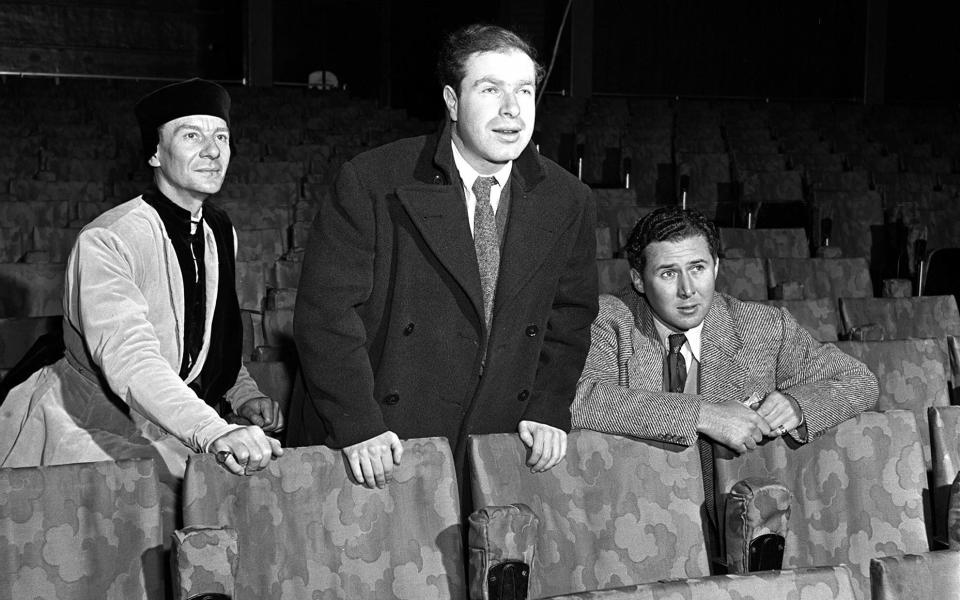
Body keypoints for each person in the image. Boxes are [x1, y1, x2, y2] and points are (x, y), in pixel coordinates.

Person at [287, 24, 599, 491]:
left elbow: (570, 317)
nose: (511, 109)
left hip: (496, 438)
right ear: (452, 101)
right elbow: (326, 316)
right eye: (490, 89)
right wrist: (358, 425)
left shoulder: (567, 198)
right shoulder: (373, 180)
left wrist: (548, 407)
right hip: (378, 441)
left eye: (524, 91)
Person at [0, 78, 284, 491]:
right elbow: (129, 358)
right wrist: (212, 429)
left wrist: (241, 393)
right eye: (192, 135)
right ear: (155, 153)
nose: (213, 150)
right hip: (89, 417)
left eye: (220, 135)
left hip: (168, 415)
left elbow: (209, 333)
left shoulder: (221, 230)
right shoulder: (109, 238)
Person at [571, 206, 878, 534]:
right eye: (668, 273)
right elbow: (583, 400)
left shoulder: (762, 326)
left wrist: (796, 405)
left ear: (716, 267)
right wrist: (704, 414)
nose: (687, 289)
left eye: (698, 268)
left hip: (736, 527)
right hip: (636, 519)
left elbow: (859, 381)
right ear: (638, 280)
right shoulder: (610, 320)